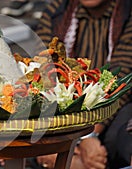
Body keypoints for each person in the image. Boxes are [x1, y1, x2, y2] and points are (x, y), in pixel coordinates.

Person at [35, 0, 132, 168]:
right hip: (62, 118)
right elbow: (42, 71)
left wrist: (90, 135)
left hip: (109, 115)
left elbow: (120, 78)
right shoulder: (57, 10)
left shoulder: (127, 11)